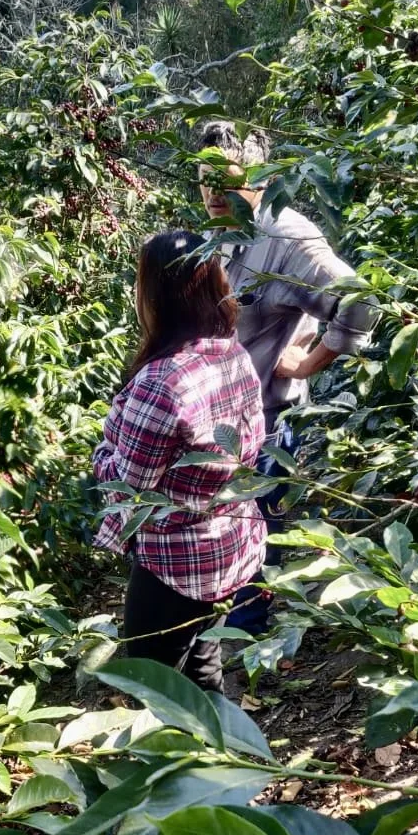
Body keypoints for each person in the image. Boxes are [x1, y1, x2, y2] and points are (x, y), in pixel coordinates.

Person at [194, 118, 373, 634]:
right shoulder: (220, 231)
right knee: (217, 536)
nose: (214, 193)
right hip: (212, 420)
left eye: (229, 181)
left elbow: (359, 299)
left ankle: (247, 654)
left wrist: (314, 359)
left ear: (263, 178)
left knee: (251, 542)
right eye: (206, 180)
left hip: (263, 426)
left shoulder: (287, 238)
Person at [93, 231, 266, 694]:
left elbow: (131, 490)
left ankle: (178, 760)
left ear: (152, 294)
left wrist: (101, 453)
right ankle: (221, 754)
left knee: (154, 680)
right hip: (229, 541)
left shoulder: (162, 379)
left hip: (179, 558)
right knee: (202, 657)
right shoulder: (232, 354)